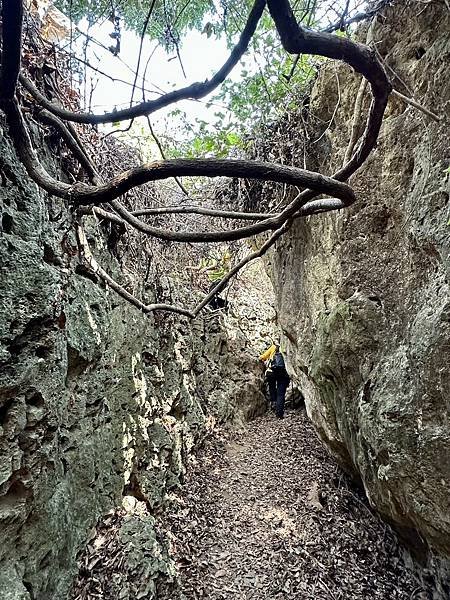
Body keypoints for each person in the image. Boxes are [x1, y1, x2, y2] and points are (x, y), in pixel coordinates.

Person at [259, 341, 290, 419]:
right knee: (281, 393)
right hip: (283, 374)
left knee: (272, 387)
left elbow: (263, 357)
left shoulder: (273, 347)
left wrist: (260, 358)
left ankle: (273, 402)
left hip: (272, 372)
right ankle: (279, 414)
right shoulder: (287, 348)